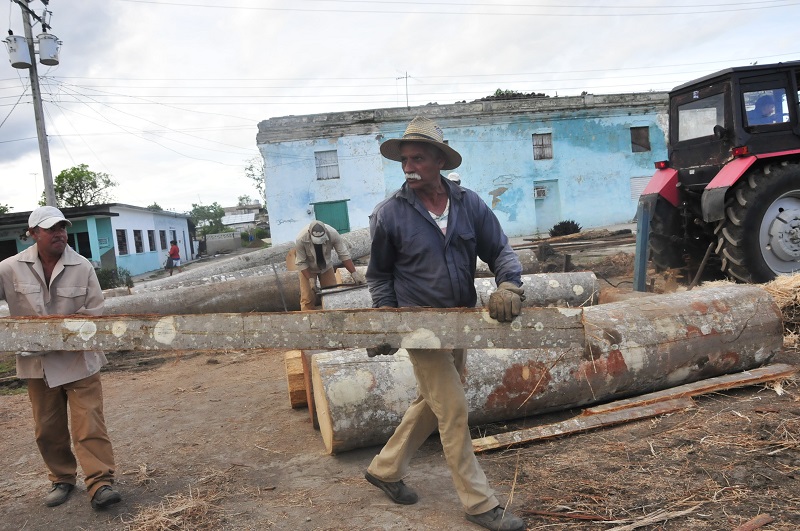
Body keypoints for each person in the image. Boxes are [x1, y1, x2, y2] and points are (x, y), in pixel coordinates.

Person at [363, 116, 526, 531]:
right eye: (404, 160)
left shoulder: (469, 204)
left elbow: (500, 249)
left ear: (439, 160)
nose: (408, 166)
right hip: (420, 328)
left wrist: (509, 285)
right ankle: (480, 504)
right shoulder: (389, 215)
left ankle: (385, 468)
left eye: (417, 158)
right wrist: (387, 321)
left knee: (432, 403)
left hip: (461, 324)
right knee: (452, 410)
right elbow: (379, 276)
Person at [0, 206, 122, 510]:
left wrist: (57, 331)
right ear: (33, 234)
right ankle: (62, 479)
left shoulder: (82, 266)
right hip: (37, 363)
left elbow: (95, 312)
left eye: (62, 227)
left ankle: (100, 482)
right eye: (51, 228)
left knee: (89, 423)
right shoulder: (9, 268)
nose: (59, 233)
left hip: (79, 360)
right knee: (47, 427)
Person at [294, 221, 365, 311]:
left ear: (325, 232)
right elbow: (301, 262)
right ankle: (308, 322)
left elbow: (344, 255)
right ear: (309, 233)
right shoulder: (301, 239)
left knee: (332, 295)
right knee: (307, 298)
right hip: (307, 268)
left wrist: (354, 273)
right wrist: (311, 280)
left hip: (326, 266)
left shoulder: (333, 234)